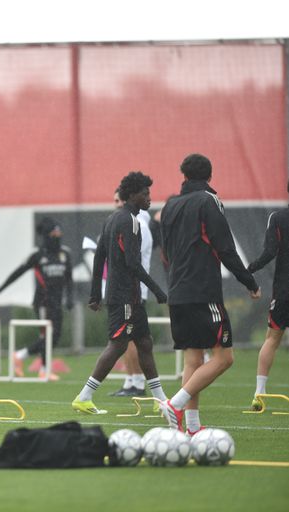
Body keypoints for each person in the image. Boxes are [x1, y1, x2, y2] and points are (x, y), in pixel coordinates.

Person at [159, 154, 260, 432]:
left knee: (194, 360)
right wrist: (249, 281)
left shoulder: (169, 206)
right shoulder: (208, 200)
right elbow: (225, 247)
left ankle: (191, 427)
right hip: (202, 292)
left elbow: (165, 253)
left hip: (177, 291)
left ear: (184, 175)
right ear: (209, 176)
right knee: (224, 358)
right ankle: (175, 404)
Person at [71, 172, 169, 414]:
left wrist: (95, 294)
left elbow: (99, 257)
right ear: (133, 195)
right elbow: (133, 264)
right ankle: (84, 396)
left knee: (145, 343)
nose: (149, 198)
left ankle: (161, 400)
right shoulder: (132, 222)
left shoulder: (112, 219)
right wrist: (158, 290)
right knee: (118, 345)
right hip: (125, 295)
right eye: (145, 193)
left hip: (127, 295)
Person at [0, 217, 73, 380]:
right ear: (47, 235)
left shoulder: (65, 254)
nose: (57, 235)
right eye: (54, 232)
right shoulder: (38, 255)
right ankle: (43, 368)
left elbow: (69, 279)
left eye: (59, 232)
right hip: (43, 302)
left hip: (57, 302)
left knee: (55, 336)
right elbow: (18, 272)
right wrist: (0, 289)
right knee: (47, 336)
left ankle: (21, 356)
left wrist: (70, 297)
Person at [108, 188, 156, 397]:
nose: (116, 204)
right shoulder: (126, 222)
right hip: (126, 289)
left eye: (118, 200)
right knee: (128, 340)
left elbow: (132, 261)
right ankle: (131, 381)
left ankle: (137, 382)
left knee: (130, 340)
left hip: (134, 291)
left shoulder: (139, 226)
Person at [247, 182, 289, 409]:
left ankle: (259, 394)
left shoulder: (278, 217)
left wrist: (249, 270)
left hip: (284, 291)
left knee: (272, 340)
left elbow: (269, 252)